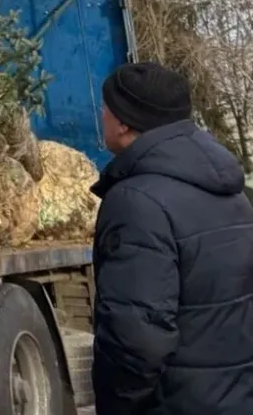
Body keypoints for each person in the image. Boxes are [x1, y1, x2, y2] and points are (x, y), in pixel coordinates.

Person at [92, 61, 253, 414]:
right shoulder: (233, 193)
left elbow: (136, 339)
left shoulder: (136, 202)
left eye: (105, 108)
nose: (101, 115)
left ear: (124, 121)